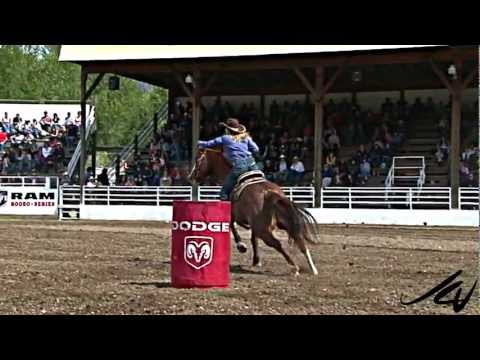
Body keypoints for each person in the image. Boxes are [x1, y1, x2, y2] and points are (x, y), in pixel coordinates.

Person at [198, 118, 260, 201]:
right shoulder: (246, 137)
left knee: (224, 192)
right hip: (252, 164)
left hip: (239, 166)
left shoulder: (225, 138)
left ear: (228, 130)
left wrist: (197, 142)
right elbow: (256, 149)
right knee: (260, 180)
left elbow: (208, 144)